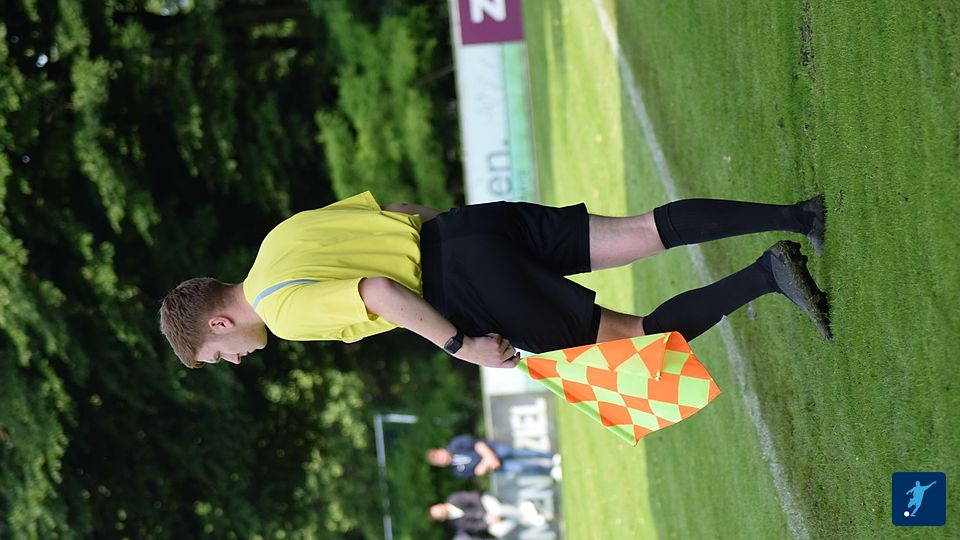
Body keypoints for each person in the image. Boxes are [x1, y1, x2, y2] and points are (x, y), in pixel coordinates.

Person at [159, 191, 830, 369]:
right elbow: (399, 208)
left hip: (462, 289)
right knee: (640, 231)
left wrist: (462, 345)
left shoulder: (280, 314)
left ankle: (769, 274)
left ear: (218, 322)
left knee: (632, 341)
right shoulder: (278, 238)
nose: (235, 359)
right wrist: (466, 238)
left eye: (220, 354)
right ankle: (800, 215)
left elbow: (380, 293)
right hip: (464, 230)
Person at [427, 434, 560, 479]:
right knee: (520, 468)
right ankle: (550, 471)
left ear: (440, 450)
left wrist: (489, 457)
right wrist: (488, 462)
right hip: (494, 466)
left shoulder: (456, 444)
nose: (442, 459)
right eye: (439, 461)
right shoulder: (456, 471)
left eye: (439, 456)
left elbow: (478, 444)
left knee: (520, 452)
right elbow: (477, 472)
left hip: (493, 450)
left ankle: (551, 457)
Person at [429, 491, 546, 538]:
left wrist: (486, 515)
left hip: (484, 502)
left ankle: (523, 513)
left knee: (497, 510)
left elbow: (474, 498)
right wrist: (487, 522)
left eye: (439, 509)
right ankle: (525, 516)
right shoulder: (456, 523)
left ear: (439, 504)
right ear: (441, 519)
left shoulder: (454, 499)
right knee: (499, 531)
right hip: (487, 520)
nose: (442, 511)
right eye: (440, 514)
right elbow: (475, 526)